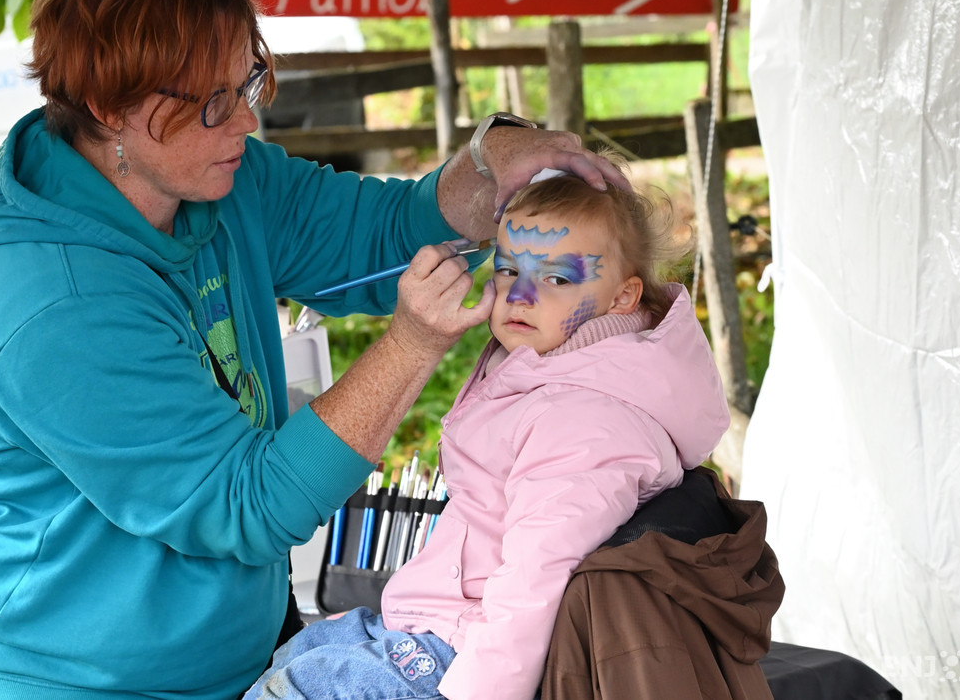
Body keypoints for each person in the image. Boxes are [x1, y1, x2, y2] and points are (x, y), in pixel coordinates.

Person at [0, 0, 627, 700]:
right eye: (212, 102)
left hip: (222, 666)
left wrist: (489, 161)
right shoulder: (49, 307)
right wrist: (410, 346)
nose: (245, 120)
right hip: (44, 681)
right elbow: (249, 503)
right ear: (110, 109)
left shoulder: (221, 184)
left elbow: (382, 235)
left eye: (245, 82)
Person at [244, 171, 731, 700]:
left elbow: (535, 580)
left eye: (556, 279)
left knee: (295, 688)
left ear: (623, 296)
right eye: (508, 269)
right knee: (296, 654)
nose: (520, 295)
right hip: (436, 618)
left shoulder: (584, 425)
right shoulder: (546, 370)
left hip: (467, 652)